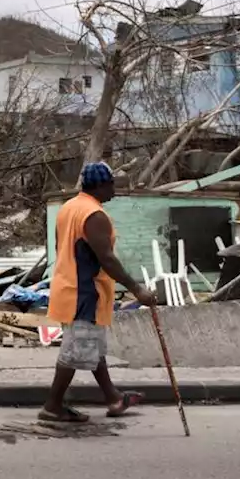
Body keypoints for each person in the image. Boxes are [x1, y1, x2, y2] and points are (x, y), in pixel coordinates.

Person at [40, 162, 157, 423]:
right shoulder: (94, 215)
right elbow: (107, 258)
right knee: (75, 350)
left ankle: (113, 397)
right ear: (101, 185)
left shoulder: (69, 208)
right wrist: (137, 289)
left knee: (91, 345)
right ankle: (53, 406)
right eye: (112, 184)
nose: (114, 189)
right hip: (84, 293)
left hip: (68, 286)